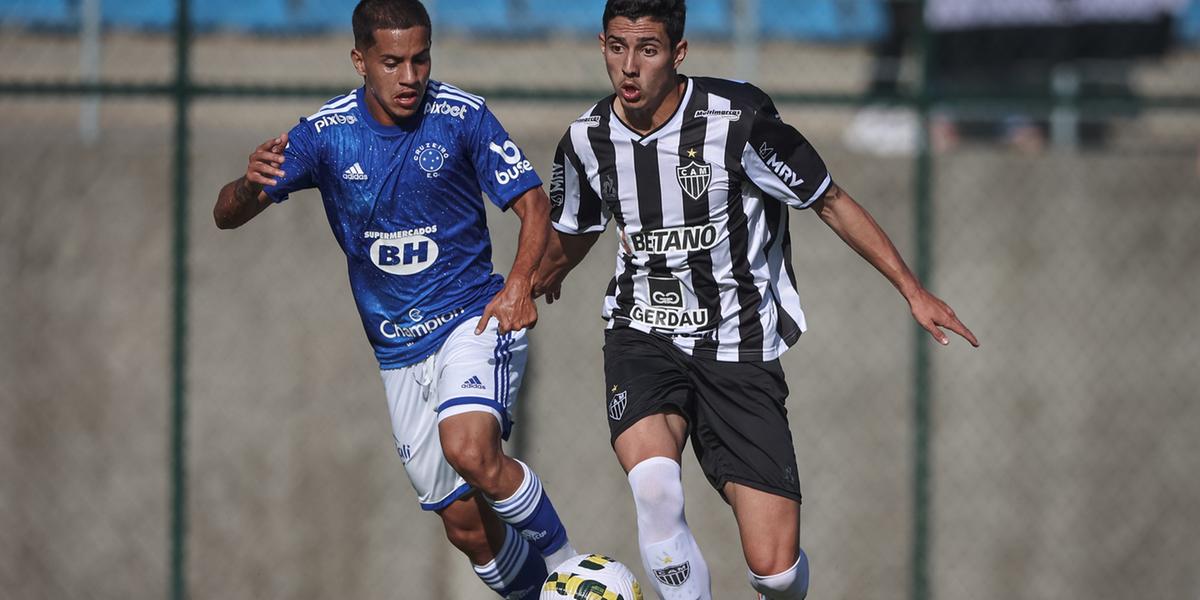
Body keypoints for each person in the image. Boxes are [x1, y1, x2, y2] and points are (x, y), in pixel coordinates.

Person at [533, 1, 979, 598]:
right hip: (641, 334)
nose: (629, 67)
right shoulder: (587, 141)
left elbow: (830, 200)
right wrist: (523, 285)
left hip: (736, 346)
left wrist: (912, 289)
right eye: (616, 48)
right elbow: (573, 233)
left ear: (678, 53)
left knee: (776, 570)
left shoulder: (738, 121)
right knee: (655, 490)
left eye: (648, 49)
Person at [212, 1, 576, 597]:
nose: (410, 77)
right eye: (392, 62)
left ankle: (573, 570)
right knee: (465, 527)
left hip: (473, 319)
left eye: (420, 59)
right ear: (360, 60)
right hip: (398, 355)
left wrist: (516, 287)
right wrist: (248, 184)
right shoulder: (325, 136)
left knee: (470, 448)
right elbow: (226, 216)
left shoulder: (462, 116)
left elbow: (533, 204)